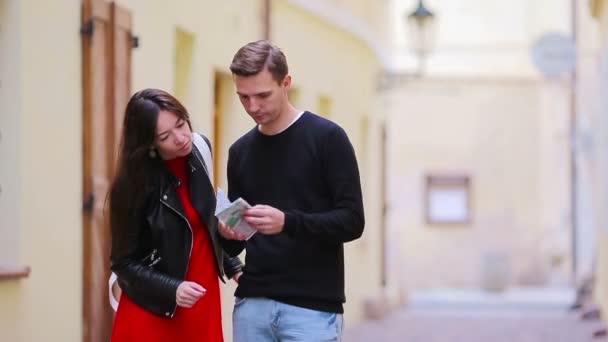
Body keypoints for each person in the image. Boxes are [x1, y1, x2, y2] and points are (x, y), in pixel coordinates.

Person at [219, 40, 365, 342]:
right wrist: (227, 234)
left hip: (311, 308)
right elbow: (238, 240)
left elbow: (352, 221)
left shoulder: (328, 138)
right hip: (252, 305)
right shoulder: (240, 151)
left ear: (286, 83)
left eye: (262, 95)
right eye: (243, 97)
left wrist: (287, 222)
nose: (253, 106)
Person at [109, 88, 242, 342]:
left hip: (202, 298)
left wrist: (233, 266)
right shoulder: (133, 184)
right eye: (165, 136)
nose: (181, 137)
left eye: (181, 124)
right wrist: (173, 289)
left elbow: (204, 222)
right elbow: (122, 264)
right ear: (149, 143)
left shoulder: (200, 148)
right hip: (155, 308)